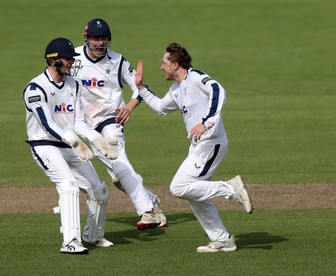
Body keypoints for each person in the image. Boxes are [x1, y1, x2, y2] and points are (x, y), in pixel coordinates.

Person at [135, 42, 253, 252]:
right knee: (195, 194)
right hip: (198, 146)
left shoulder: (195, 77)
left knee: (179, 187)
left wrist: (206, 121)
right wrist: (141, 88)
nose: (161, 67)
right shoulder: (176, 90)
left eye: (164, 63)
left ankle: (230, 189)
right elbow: (160, 108)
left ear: (175, 64)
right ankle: (222, 239)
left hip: (212, 142)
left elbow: (218, 90)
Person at [23, 37, 119, 254]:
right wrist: (74, 141)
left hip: (69, 145)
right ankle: (70, 242)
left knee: (99, 191)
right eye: (67, 58)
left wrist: (97, 140)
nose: (71, 62)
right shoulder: (36, 88)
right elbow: (47, 124)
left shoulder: (74, 85)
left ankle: (93, 236)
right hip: (44, 145)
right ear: (53, 60)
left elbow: (78, 122)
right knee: (69, 186)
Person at [73, 18, 167, 230]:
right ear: (86, 38)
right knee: (118, 176)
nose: (99, 43)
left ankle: (148, 211)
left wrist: (129, 107)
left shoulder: (118, 61)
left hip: (110, 118)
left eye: (103, 38)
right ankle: (150, 200)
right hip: (83, 124)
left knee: (119, 162)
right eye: (95, 38)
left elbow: (139, 87)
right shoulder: (74, 58)